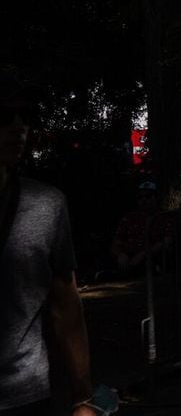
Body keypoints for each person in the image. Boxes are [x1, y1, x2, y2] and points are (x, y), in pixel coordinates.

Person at [1, 79, 103, 416]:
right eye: (5, 115)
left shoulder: (46, 205)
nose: (19, 127)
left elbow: (66, 307)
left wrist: (83, 399)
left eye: (25, 117)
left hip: (26, 393)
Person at [99, 180, 172, 280]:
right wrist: (120, 255)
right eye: (140, 197)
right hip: (129, 257)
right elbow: (116, 243)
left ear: (156, 198)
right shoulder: (129, 218)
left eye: (148, 196)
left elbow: (166, 242)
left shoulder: (163, 217)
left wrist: (143, 254)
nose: (144, 200)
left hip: (150, 257)